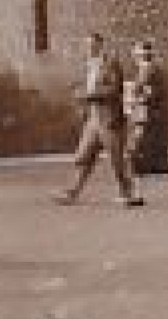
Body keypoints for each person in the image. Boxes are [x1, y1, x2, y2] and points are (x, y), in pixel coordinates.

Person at [55, 32, 143, 207]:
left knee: (116, 159)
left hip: (110, 119)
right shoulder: (88, 66)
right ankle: (72, 192)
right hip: (94, 119)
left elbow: (114, 89)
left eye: (92, 46)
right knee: (84, 156)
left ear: (100, 45)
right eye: (87, 46)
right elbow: (86, 86)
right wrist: (79, 94)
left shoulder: (111, 64)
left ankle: (128, 194)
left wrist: (89, 96)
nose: (89, 49)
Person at [126, 40, 168, 204]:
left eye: (136, 53)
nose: (134, 56)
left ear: (142, 54)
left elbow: (150, 95)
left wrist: (133, 100)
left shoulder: (149, 71)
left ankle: (137, 195)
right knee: (159, 159)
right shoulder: (148, 70)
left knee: (135, 154)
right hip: (151, 119)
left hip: (147, 120)